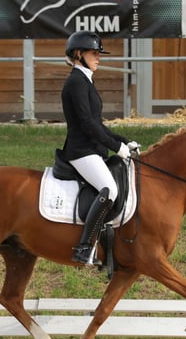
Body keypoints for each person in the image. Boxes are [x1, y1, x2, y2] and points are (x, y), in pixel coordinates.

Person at [60, 30, 140, 265]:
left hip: (92, 148)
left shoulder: (85, 80)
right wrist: (115, 146)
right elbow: (86, 124)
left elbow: (97, 123)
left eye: (98, 53)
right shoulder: (76, 82)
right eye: (94, 53)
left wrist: (122, 140)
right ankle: (84, 247)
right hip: (81, 151)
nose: (99, 58)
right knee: (110, 190)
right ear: (78, 54)